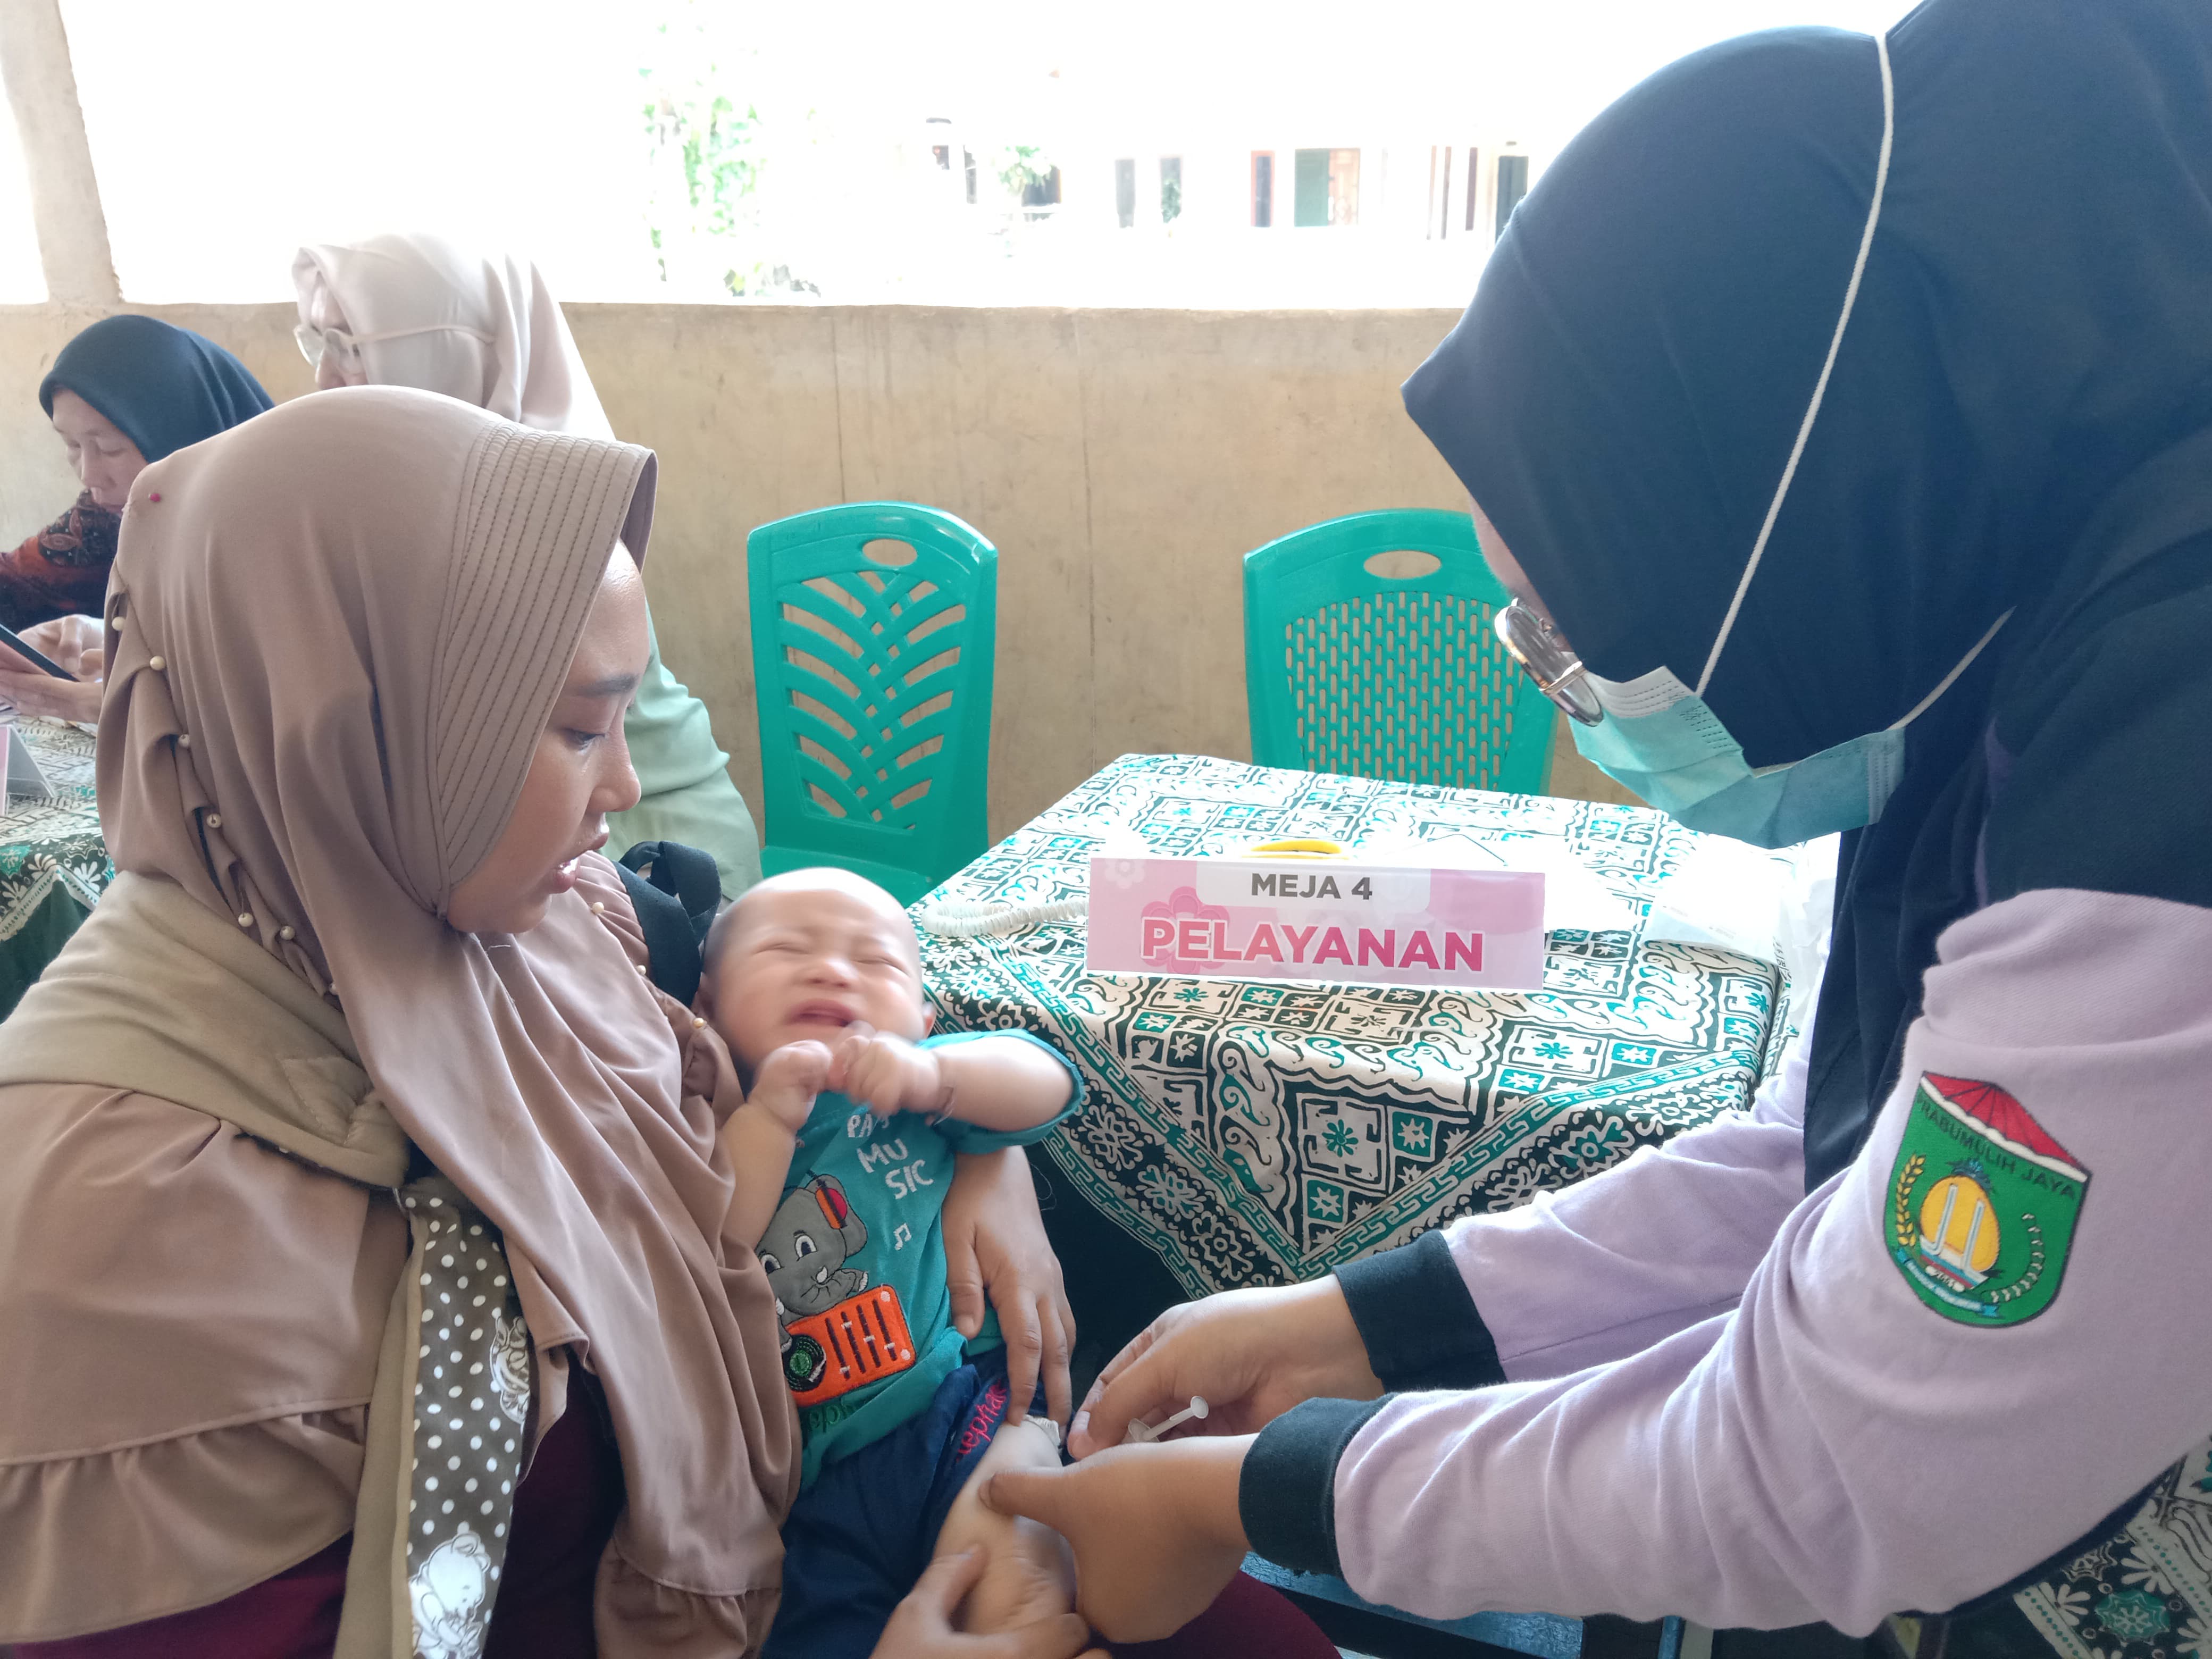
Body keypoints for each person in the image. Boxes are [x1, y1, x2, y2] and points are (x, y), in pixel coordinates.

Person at [984, 4, 2212, 1657]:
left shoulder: (2159, 748)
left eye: (1565, 634)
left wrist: (1257, 1494)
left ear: (1776, 555)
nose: (1563, 694)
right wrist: (1362, 1319)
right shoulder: (1981, 628)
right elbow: (1832, 1153)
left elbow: (1831, 1467)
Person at [0, 387, 1087, 1659]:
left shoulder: (531, 922)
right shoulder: (118, 1230)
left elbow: (814, 1010)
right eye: (577, 728)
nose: (625, 785)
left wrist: (983, 1153)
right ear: (348, 723)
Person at [292, 231, 764, 898]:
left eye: (350, 348)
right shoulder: (409, 503)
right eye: (318, 342)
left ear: (451, 354)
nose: (323, 377)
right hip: (544, 845)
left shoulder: (547, 517)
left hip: (649, 853)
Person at [706, 867, 1083, 1656]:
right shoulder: (715, 1120)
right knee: (813, 1632)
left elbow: (1049, 1081)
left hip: (965, 1409)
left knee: (1013, 1572)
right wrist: (769, 1116)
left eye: (873, 961)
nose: (831, 970)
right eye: (786, 950)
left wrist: (935, 1076)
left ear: (923, 1015)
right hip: (817, 1482)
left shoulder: (923, 1094)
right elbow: (722, 1241)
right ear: (705, 1005)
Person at [0, 314, 271, 722]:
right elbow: (15, 584)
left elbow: (281, 699)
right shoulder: (106, 517)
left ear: (181, 435)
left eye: (110, 448)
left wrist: (132, 709)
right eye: (72, 445)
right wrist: (102, 633)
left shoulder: (280, 534)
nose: (89, 475)